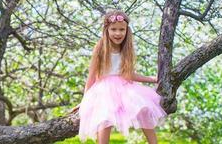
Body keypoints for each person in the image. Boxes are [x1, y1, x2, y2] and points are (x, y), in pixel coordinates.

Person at [70, 9, 167, 144]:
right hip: (103, 90)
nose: (118, 33)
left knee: (143, 108)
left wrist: (151, 79)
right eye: (113, 29)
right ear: (107, 30)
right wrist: (85, 100)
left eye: (122, 29)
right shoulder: (100, 48)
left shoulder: (126, 49)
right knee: (104, 119)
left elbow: (128, 74)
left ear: (127, 30)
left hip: (125, 88)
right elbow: (91, 76)